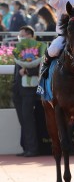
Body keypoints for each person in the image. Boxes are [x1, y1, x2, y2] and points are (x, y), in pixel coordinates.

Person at [13, 26, 41, 157]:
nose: (20, 37)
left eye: (22, 35)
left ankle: (33, 149)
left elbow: (40, 67)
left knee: (28, 118)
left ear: (29, 35)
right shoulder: (20, 49)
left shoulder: (37, 48)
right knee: (23, 119)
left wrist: (27, 71)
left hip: (29, 89)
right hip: (18, 88)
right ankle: (26, 147)